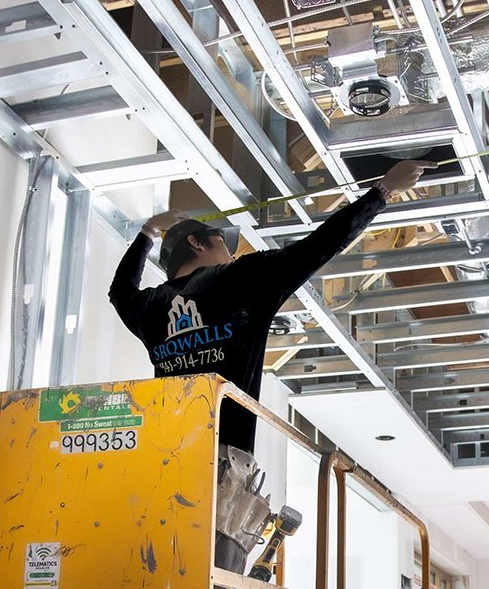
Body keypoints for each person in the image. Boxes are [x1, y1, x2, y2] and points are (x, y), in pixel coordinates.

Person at [109, 159, 436, 453]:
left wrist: (148, 231)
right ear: (196, 242)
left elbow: (120, 290)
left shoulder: (149, 307)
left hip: (164, 450)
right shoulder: (239, 278)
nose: (232, 254)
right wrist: (383, 191)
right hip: (223, 459)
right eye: (223, 243)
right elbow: (319, 245)